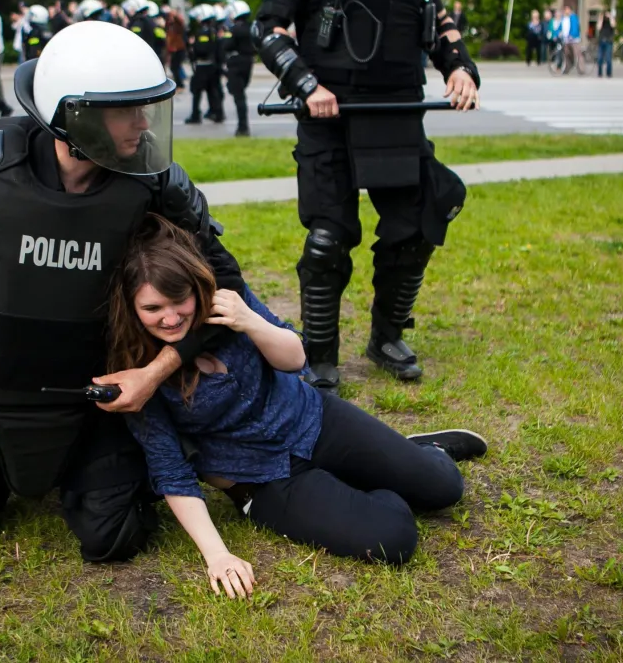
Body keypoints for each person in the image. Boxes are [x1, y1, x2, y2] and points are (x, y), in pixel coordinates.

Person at [0, 20, 247, 558]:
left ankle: (93, 464)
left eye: (148, 108)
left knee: (113, 540)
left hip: (93, 399)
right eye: (129, 111)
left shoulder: (153, 185)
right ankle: (2, 463)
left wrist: (153, 373)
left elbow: (224, 289)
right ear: (73, 116)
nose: (145, 124)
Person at [110, 216, 488, 594]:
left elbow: (294, 360)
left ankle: (421, 451)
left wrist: (250, 320)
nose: (172, 317)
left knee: (443, 487)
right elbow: (168, 467)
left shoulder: (225, 301)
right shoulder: (133, 370)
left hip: (314, 418)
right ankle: (367, 476)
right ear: (131, 306)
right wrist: (218, 555)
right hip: (263, 480)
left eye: (180, 300)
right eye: (153, 308)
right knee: (394, 537)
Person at [251, 0, 476, 388]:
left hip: (396, 116)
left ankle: (387, 335)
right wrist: (307, 84)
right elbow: (267, 28)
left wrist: (460, 67)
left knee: (417, 223)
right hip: (328, 117)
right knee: (329, 237)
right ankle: (320, 353)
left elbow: (438, 22)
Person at [221, 0, 255, 136]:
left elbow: (226, 46)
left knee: (239, 97)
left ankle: (243, 127)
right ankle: (243, 125)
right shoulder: (252, 27)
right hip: (248, 62)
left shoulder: (234, 30)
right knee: (241, 94)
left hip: (236, 64)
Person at [185, 5, 223, 124]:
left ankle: (196, 115)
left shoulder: (203, 32)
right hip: (212, 66)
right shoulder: (214, 31)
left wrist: (192, 45)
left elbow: (201, 50)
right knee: (213, 91)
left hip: (203, 66)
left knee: (196, 92)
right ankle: (217, 113)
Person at [596, 13, 614, 78]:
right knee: (600, 58)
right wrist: (601, 18)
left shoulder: (611, 21)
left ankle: (609, 73)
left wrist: (610, 17)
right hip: (601, 41)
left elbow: (613, 25)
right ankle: (600, 73)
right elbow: (598, 27)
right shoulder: (601, 21)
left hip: (608, 41)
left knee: (608, 58)